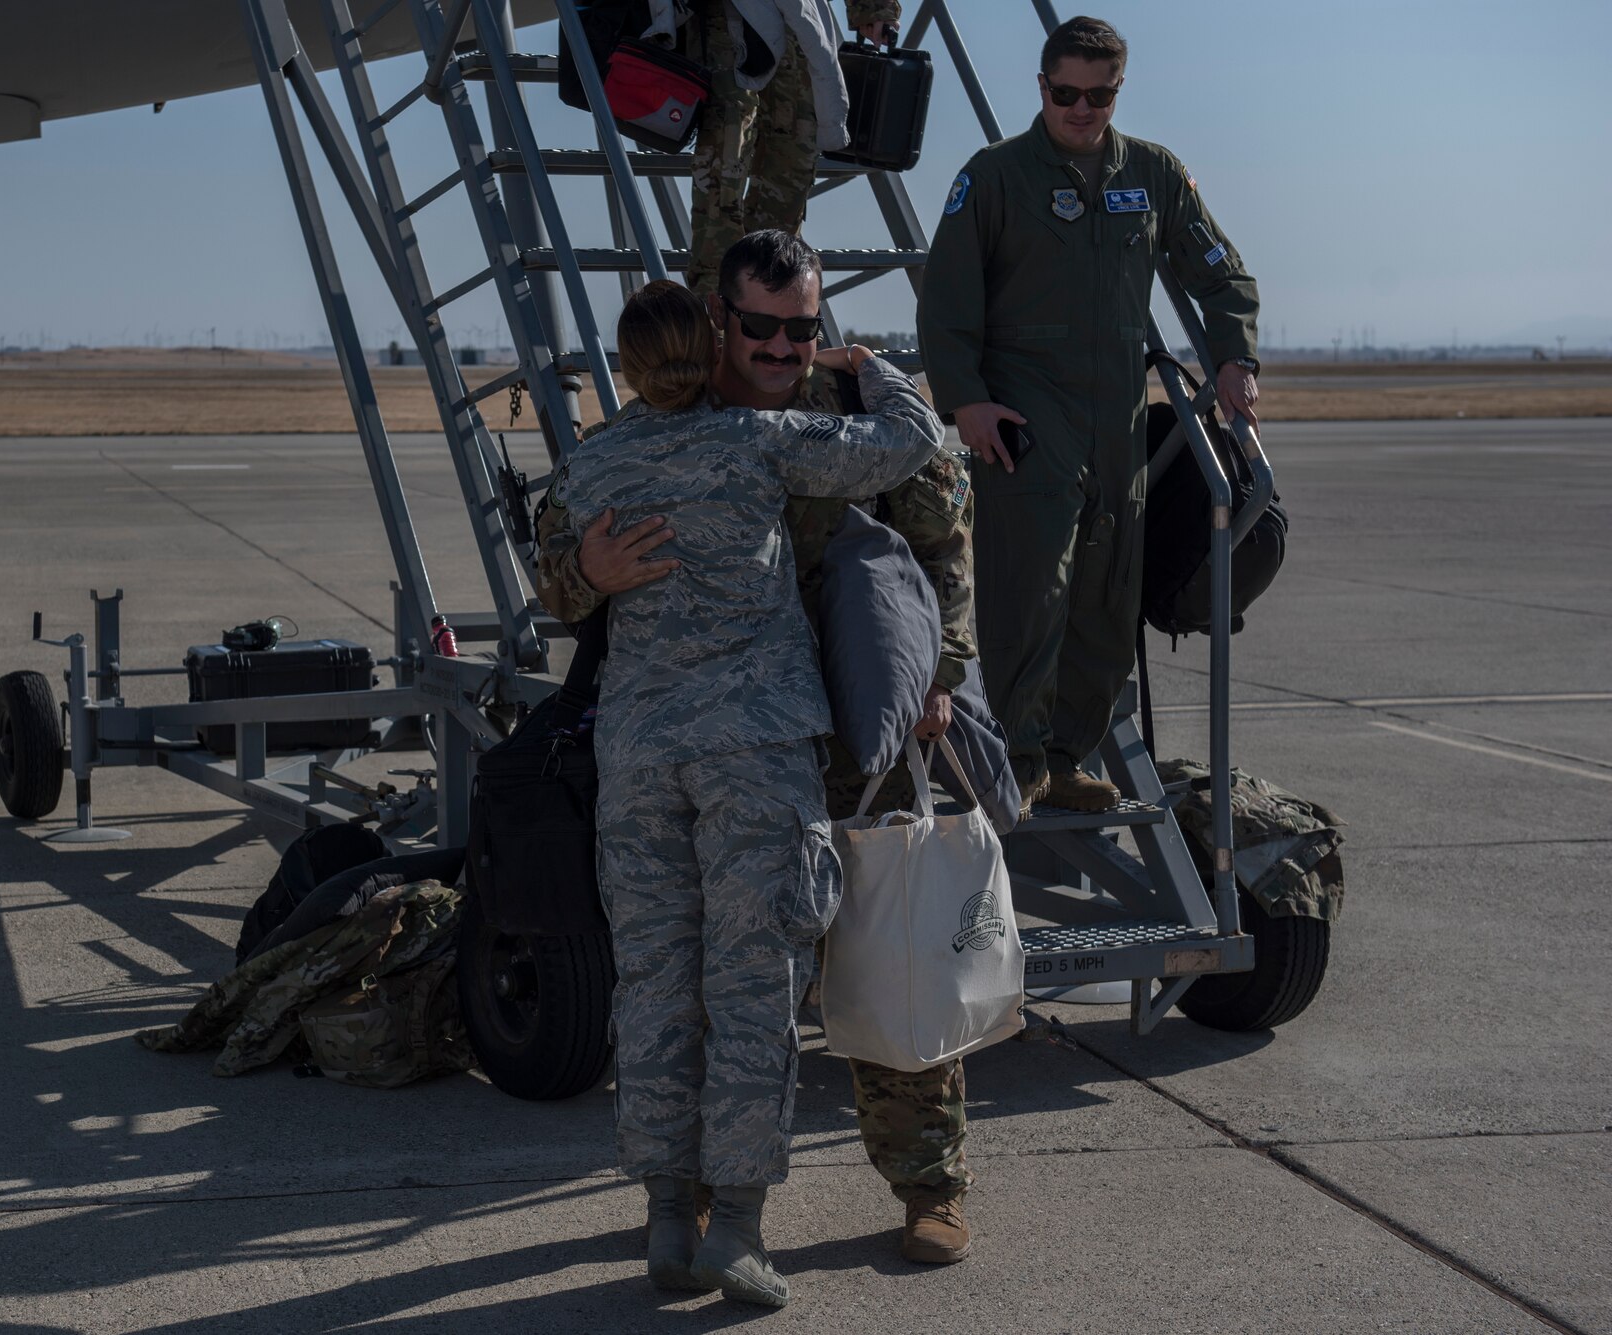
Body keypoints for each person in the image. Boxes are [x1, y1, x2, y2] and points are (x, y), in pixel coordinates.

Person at [536, 231, 981, 1266]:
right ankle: (693, 1197)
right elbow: (561, 580)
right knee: (708, 980)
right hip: (747, 733)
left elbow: (940, 534)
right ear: (719, 323)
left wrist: (939, 674)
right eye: (763, 327)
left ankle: (928, 1179)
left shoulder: (830, 419)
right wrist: (585, 574)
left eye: (803, 328)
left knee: (889, 955)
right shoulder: (666, 424)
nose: (785, 345)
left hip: (858, 720)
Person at [919, 14, 1260, 816]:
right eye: (1066, 93)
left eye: (1098, 95)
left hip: (1117, 419)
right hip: (1026, 415)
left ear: (1117, 92)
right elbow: (947, 302)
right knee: (1032, 588)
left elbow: (1217, 267)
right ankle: (1020, 757)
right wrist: (965, 400)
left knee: (1108, 593)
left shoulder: (1152, 172)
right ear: (1041, 88)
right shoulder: (994, 177)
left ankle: (1067, 755)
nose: (1081, 109)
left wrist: (1234, 354)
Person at [681, 0, 873, 295]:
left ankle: (776, 301)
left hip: (792, 19)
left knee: (791, 162)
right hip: (724, 18)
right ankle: (717, 312)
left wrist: (872, 8)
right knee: (725, 160)